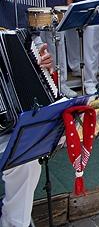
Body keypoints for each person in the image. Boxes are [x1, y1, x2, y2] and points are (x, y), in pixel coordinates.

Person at [0, 42, 53, 227]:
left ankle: (14, 222)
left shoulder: (9, 32)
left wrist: (40, 63)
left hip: (6, 124)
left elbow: (37, 57)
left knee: (26, 158)